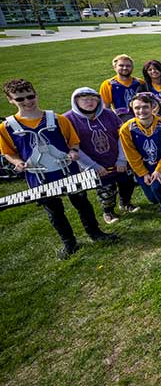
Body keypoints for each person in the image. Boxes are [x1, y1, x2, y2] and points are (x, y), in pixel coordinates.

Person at [1, 79, 117, 259]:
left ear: (36, 95)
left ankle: (95, 233)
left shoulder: (56, 119)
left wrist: (73, 151)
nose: (27, 102)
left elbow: (73, 140)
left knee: (82, 203)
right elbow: (8, 152)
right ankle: (69, 243)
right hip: (39, 176)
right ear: (10, 100)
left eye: (30, 96)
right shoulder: (7, 127)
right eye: (20, 99)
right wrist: (17, 162)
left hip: (67, 170)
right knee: (54, 211)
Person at [65, 87, 138, 225]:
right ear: (76, 101)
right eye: (84, 99)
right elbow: (72, 146)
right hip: (94, 164)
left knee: (127, 183)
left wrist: (122, 159)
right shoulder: (68, 119)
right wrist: (92, 166)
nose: (90, 102)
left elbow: (122, 136)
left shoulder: (109, 114)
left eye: (93, 98)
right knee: (106, 190)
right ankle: (108, 211)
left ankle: (125, 203)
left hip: (117, 159)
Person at [119, 92, 161, 229]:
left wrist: (159, 170)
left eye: (145, 107)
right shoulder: (126, 129)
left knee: (157, 188)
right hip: (143, 167)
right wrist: (143, 173)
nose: (141, 111)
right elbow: (131, 154)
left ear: (152, 106)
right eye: (137, 108)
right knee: (152, 198)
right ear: (132, 109)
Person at [99, 55, 144, 121]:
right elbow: (105, 107)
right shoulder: (108, 84)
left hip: (141, 117)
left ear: (132, 67)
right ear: (115, 67)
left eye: (128, 66)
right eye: (121, 65)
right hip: (121, 119)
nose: (125, 68)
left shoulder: (140, 82)